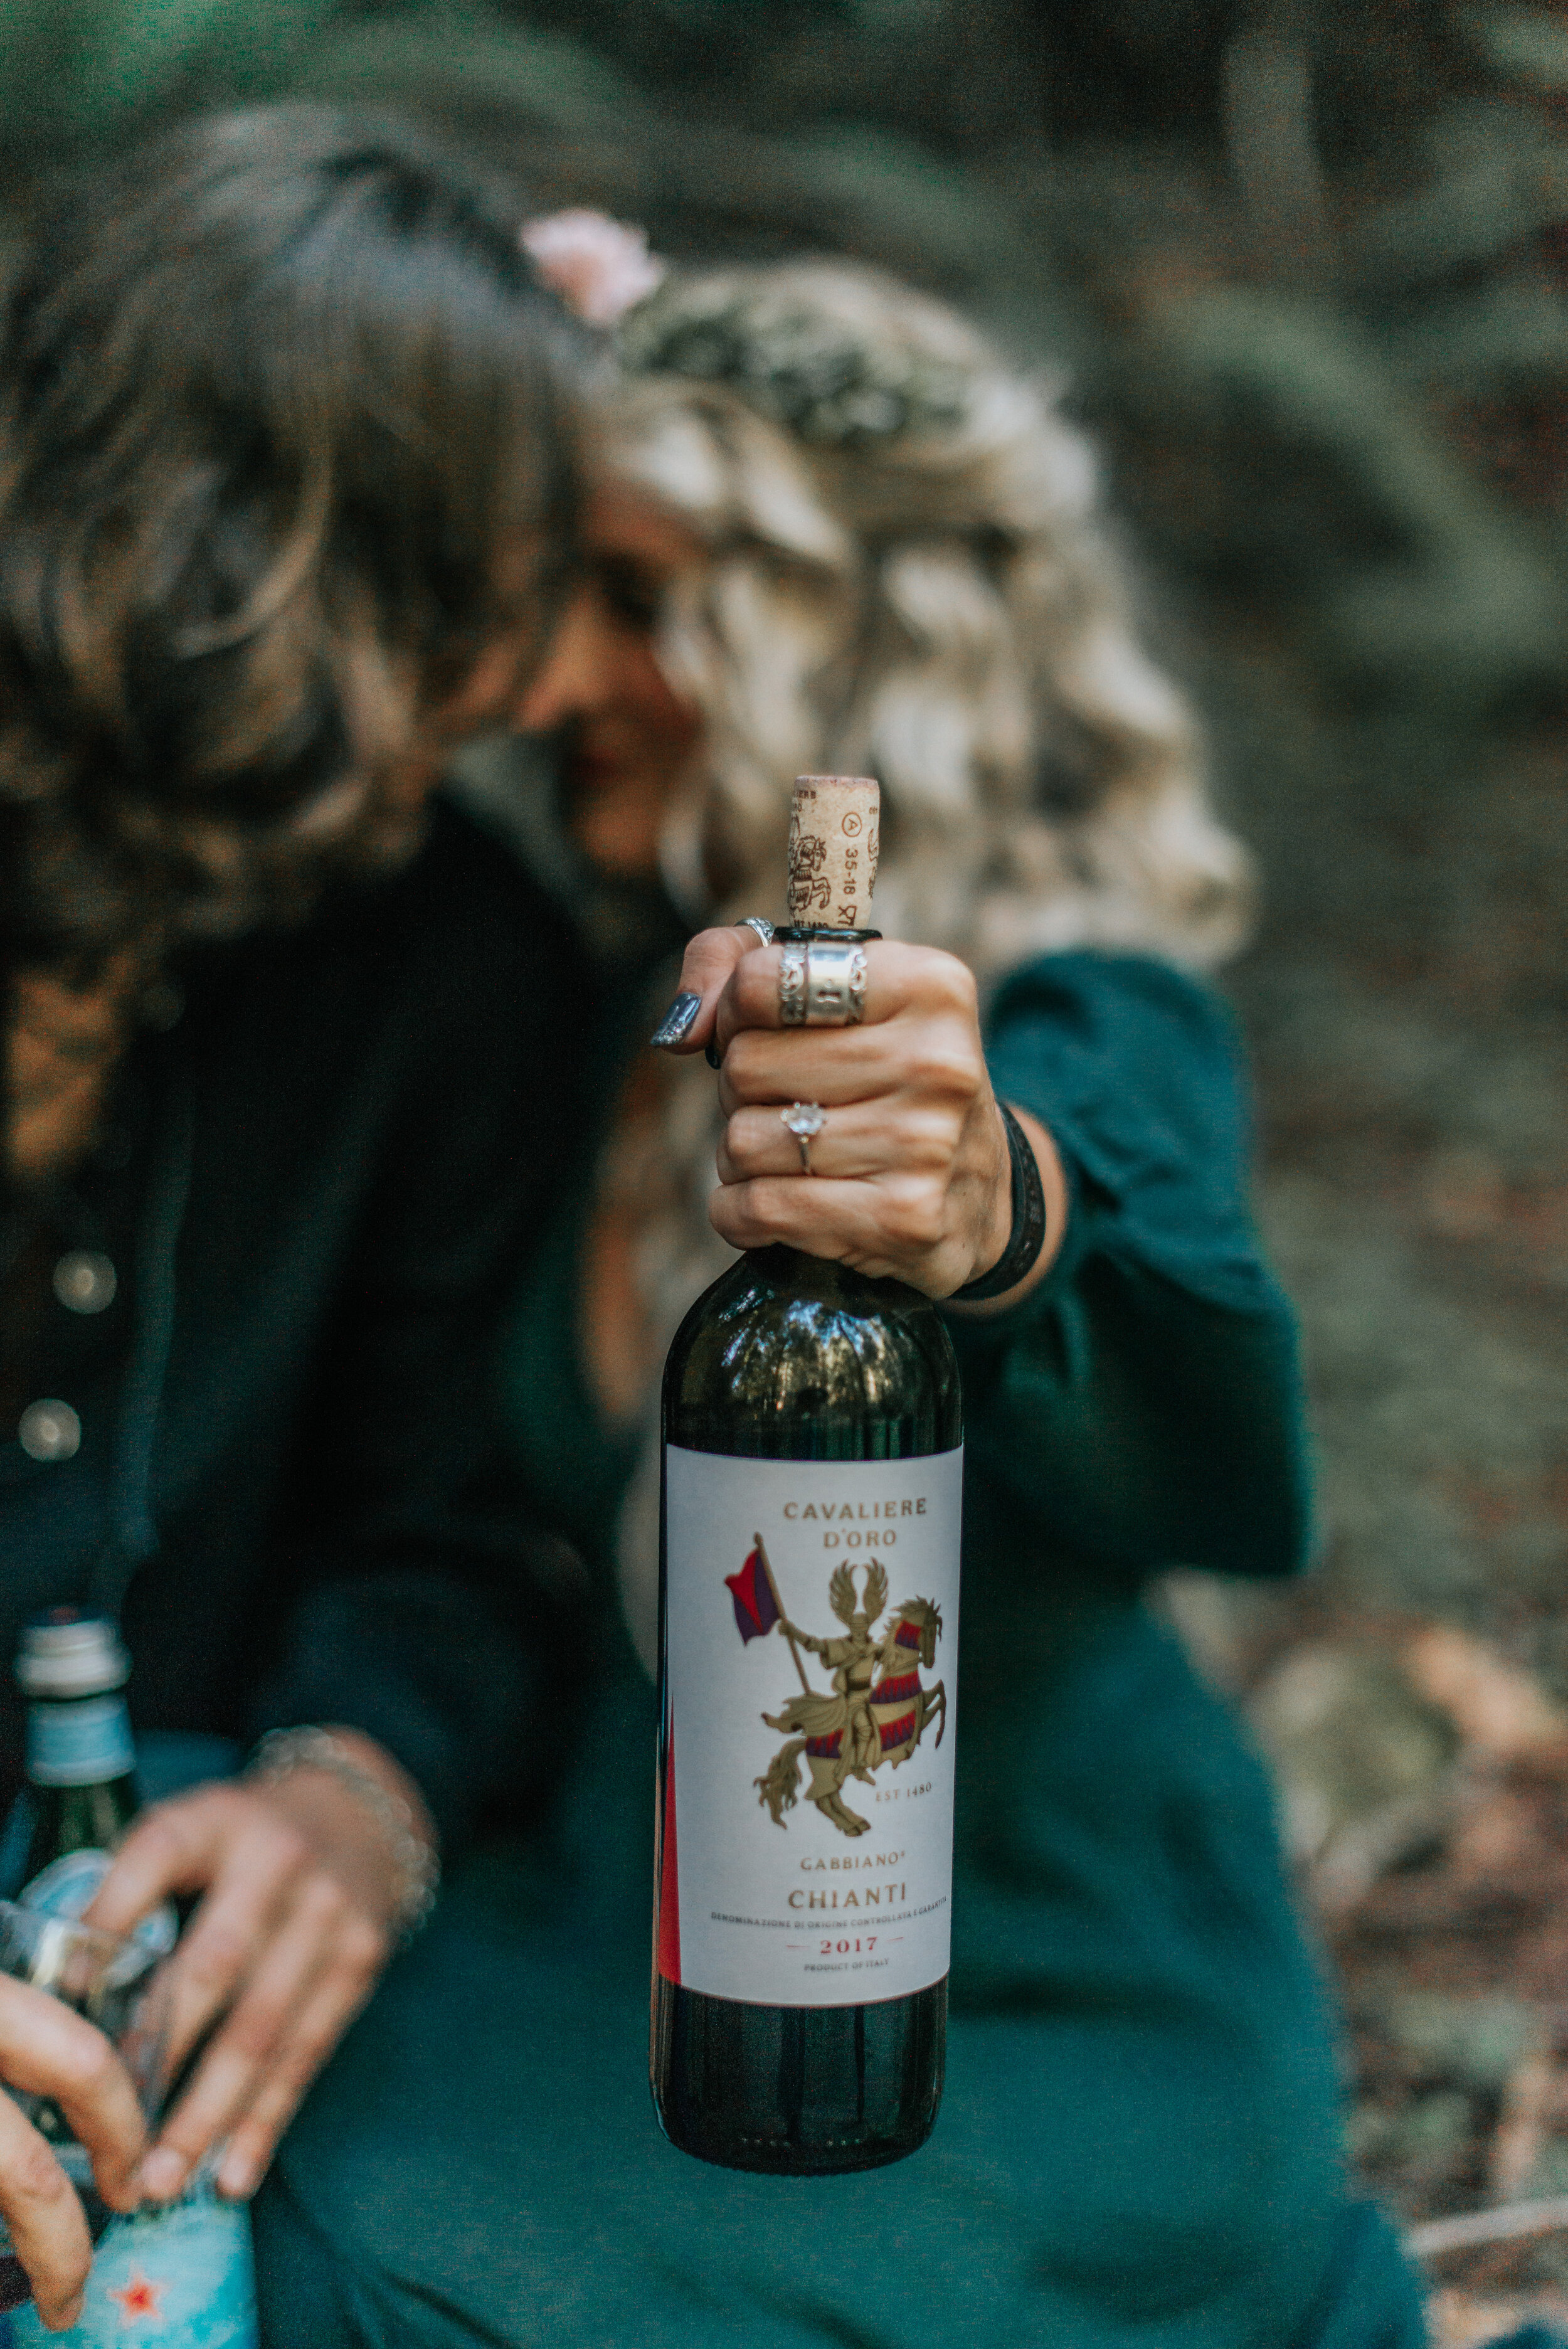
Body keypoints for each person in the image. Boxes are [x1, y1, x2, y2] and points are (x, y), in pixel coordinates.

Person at [262, 248, 1430, 2344]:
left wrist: (996, 1211)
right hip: (648, 1908)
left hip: (1023, 1992)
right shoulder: (610, 1010)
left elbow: (1205, 1389)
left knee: (419, 2270)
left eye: (627, 599)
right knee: (288, 2178)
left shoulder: (1084, 1011)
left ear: (839, 637)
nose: (540, 681)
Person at [0, 109, 592, 2330]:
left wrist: (363, 1788)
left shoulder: (459, 965)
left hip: (181, 1919)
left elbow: (460, 1525)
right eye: (495, 595)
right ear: (284, 580)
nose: (541, 691)